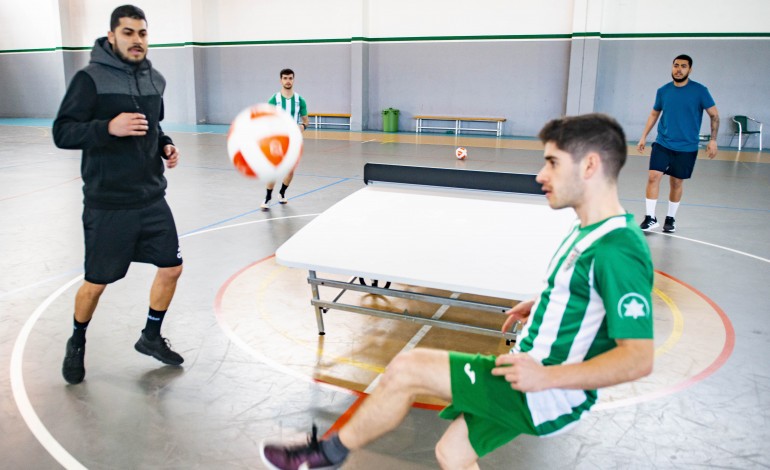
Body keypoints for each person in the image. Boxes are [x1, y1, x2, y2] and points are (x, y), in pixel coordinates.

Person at [260, 113, 655, 470]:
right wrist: (547, 304)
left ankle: (324, 456)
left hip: (540, 388)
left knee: (407, 369)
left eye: (552, 162)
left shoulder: (618, 247)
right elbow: (587, 294)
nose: (540, 175)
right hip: (531, 371)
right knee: (453, 453)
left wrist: (546, 379)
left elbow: (638, 358)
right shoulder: (589, 230)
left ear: (590, 165)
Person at [53, 4, 185, 385]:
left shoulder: (155, 80)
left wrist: (165, 145)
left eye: (142, 33)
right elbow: (63, 131)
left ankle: (150, 336)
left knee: (172, 267)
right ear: (112, 36)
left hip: (151, 197)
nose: (137, 40)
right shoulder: (89, 80)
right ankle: (77, 341)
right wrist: (107, 128)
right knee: (96, 283)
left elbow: (153, 126)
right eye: (128, 33)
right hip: (108, 203)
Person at [637, 54, 719, 233]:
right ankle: (650, 218)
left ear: (690, 69)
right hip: (663, 143)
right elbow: (654, 113)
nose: (678, 69)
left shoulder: (700, 91)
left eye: (683, 66)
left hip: (686, 147)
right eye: (676, 65)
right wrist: (644, 136)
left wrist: (713, 140)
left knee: (676, 183)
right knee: (653, 176)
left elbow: (714, 115)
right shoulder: (663, 91)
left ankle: (670, 219)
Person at [261, 68, 309, 210]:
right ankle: (268, 197)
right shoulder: (274, 99)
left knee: (290, 171)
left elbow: (306, 121)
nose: (288, 81)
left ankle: (282, 193)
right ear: (281, 80)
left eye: (290, 78)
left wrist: (303, 127)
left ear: (293, 80)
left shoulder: (300, 100)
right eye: (285, 78)